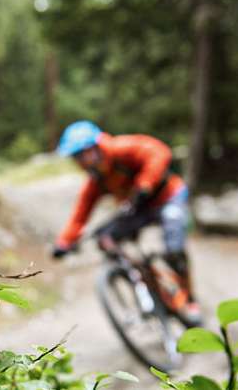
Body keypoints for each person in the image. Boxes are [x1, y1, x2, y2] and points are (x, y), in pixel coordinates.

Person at [51, 120, 201, 325]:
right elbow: (80, 214)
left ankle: (190, 299)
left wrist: (145, 184)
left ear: (94, 148)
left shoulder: (122, 149)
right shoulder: (97, 180)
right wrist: (64, 242)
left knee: (174, 250)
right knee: (105, 239)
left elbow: (159, 152)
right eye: (75, 157)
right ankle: (145, 279)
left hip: (169, 197)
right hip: (139, 208)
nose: (80, 162)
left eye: (81, 154)